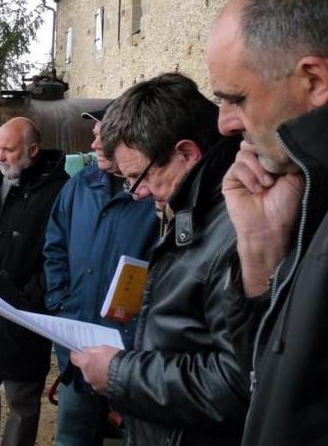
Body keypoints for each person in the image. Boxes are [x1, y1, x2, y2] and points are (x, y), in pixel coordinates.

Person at [206, 0, 328, 446]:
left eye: (236, 99)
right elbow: (277, 381)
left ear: (314, 81)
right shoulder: (318, 182)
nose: (225, 124)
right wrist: (260, 251)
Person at [71, 73, 249, 445]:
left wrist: (120, 373)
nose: (138, 193)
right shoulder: (194, 209)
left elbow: (237, 384)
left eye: (139, 177)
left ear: (186, 153)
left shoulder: (238, 226)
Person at [43, 106, 157, 446]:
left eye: (102, 135)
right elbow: (54, 249)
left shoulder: (153, 193)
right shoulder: (79, 186)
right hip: (77, 347)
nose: (94, 144)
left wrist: (135, 334)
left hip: (134, 356)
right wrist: (62, 305)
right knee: (72, 438)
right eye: (94, 135)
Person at [0, 117, 69, 446]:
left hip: (26, 315)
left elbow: (63, 255)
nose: (1, 156)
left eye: (9, 149)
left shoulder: (59, 192)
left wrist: (30, 298)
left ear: (33, 150)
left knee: (21, 400)